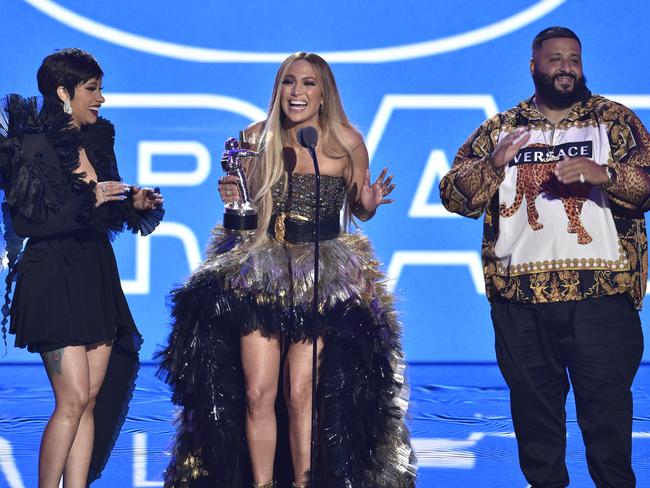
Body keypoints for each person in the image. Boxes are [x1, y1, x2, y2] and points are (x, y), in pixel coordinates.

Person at [157, 52, 416, 488]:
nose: (297, 92)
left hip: (320, 275)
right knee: (259, 392)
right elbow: (244, 208)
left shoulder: (346, 141)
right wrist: (232, 194)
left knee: (301, 396)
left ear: (323, 93)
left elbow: (359, 207)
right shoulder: (255, 139)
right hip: (263, 271)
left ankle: (302, 482)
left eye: (308, 84)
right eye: (288, 82)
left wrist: (367, 205)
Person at [440, 26, 650, 487]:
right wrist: (493, 166)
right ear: (533, 66)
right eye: (555, 59)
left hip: (603, 299)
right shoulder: (501, 128)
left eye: (574, 58)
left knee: (609, 434)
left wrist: (605, 173)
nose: (566, 67)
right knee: (538, 437)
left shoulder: (614, 121)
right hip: (520, 305)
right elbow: (454, 196)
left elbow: (647, 184)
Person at [0, 48, 164, 487]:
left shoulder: (99, 140)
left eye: (101, 88)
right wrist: (86, 200)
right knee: (71, 398)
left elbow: (104, 215)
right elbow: (28, 222)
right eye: (92, 90)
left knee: (89, 399)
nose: (101, 99)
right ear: (62, 92)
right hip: (53, 278)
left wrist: (134, 203)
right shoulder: (30, 146)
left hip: (95, 275)